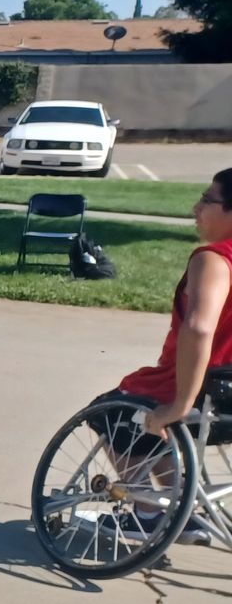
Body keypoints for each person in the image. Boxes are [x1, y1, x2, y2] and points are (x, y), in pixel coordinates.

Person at [86, 168, 232, 545]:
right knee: (148, 417)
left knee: (112, 411)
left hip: (202, 384)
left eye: (207, 199)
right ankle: (176, 508)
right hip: (227, 393)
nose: (196, 208)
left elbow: (199, 327)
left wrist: (181, 403)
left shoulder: (214, 260)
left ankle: (149, 512)